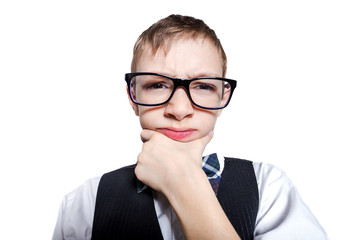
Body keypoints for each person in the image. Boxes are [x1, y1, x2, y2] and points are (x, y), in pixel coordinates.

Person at [52, 14, 329, 240]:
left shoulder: (269, 189)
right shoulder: (86, 204)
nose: (180, 110)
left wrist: (187, 185)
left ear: (223, 97)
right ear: (132, 97)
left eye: (204, 86)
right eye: (157, 85)